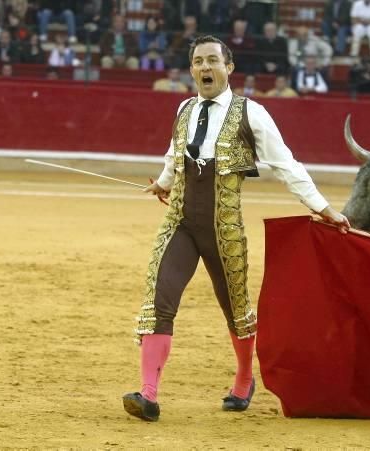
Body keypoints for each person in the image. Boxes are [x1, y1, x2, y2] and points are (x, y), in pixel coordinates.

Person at [123, 35, 350, 422]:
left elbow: (286, 165)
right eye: (198, 61)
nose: (205, 68)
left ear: (229, 68)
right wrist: (164, 181)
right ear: (192, 69)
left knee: (236, 309)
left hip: (222, 227)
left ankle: (245, 378)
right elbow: (175, 154)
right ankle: (148, 394)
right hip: (179, 222)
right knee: (159, 298)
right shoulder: (184, 108)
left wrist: (323, 207)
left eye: (213, 60)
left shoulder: (251, 113)